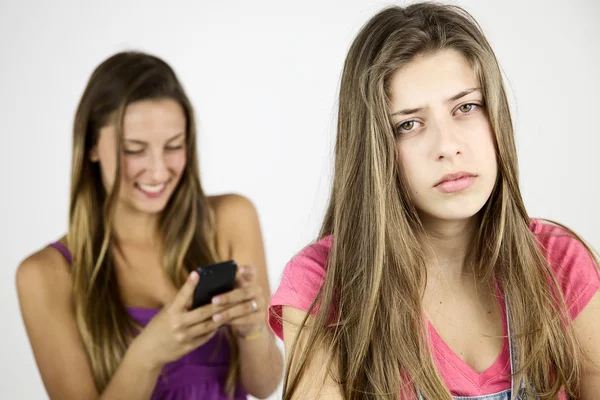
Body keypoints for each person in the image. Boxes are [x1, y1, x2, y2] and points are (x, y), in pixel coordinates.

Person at [268, 3, 600, 400]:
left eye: (465, 107)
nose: (447, 147)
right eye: (409, 124)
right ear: (373, 148)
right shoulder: (321, 285)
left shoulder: (558, 262)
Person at [16, 51, 283, 400]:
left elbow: (264, 386)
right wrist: (148, 355)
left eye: (174, 146)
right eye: (134, 150)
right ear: (92, 146)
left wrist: (252, 330)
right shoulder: (44, 274)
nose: (158, 172)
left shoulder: (231, 218)